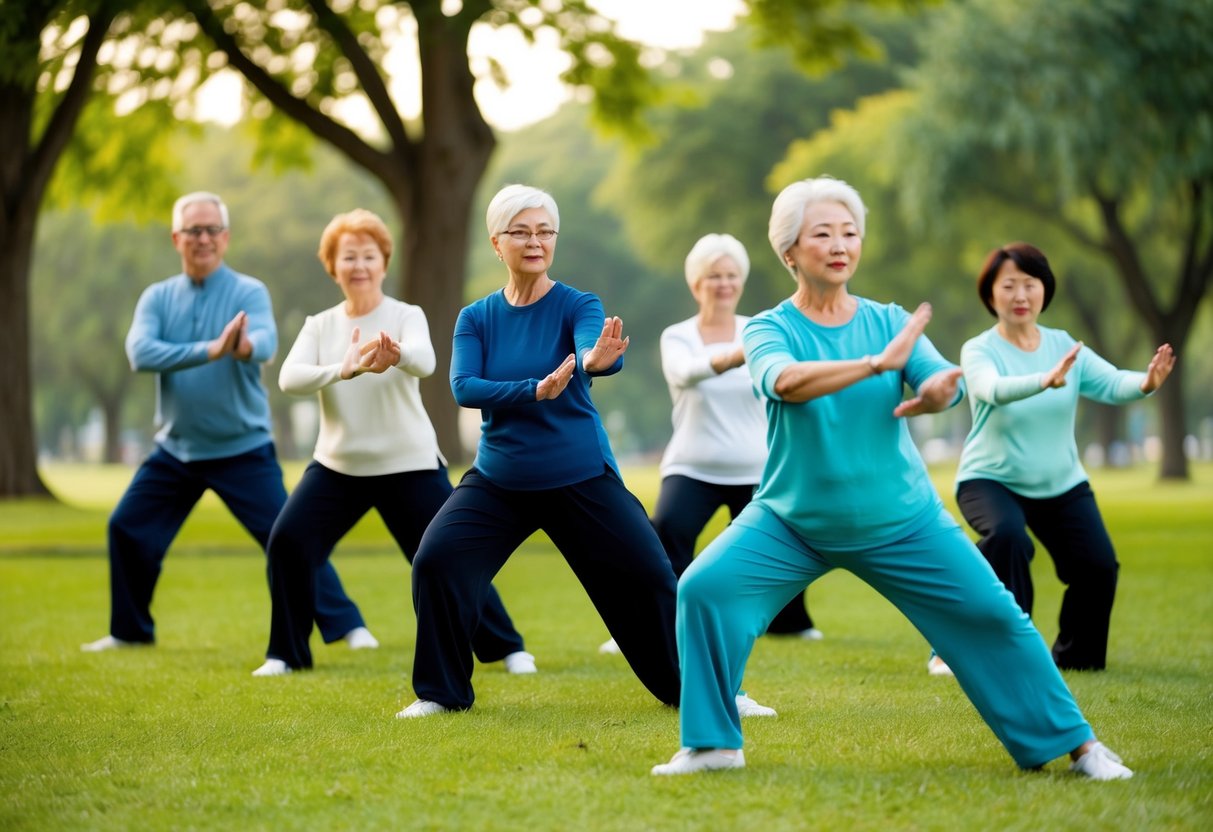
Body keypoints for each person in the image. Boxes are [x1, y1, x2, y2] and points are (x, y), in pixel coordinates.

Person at [651, 176, 1133, 780]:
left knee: (994, 615)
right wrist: (876, 364)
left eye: (850, 233)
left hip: (900, 517)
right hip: (792, 518)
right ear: (790, 251)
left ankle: (1081, 747)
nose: (839, 245)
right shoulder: (767, 327)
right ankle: (713, 744)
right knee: (704, 590)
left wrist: (934, 392)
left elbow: (933, 382)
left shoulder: (891, 320)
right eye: (822, 233)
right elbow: (787, 382)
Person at [398, 184, 694, 719]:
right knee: (437, 561)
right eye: (521, 231)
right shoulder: (477, 317)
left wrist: (596, 361)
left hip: (578, 474)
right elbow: (465, 387)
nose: (535, 241)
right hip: (500, 481)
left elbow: (589, 351)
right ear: (496, 242)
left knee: (651, 576)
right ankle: (441, 694)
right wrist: (534, 390)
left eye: (544, 231)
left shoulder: (578, 304)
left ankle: (706, 690)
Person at [82, 192, 370, 654]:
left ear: (226, 237)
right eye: (193, 230)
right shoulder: (157, 297)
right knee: (126, 526)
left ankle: (347, 625)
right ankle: (129, 631)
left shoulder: (247, 291)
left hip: (242, 449)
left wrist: (238, 347)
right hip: (176, 450)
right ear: (176, 238)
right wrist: (208, 350)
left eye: (212, 229)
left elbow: (264, 343)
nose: (203, 238)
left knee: (287, 536)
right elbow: (140, 352)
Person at [251, 208, 534, 678]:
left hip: (409, 465)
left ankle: (506, 647)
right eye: (348, 257)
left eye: (368, 256)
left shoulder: (405, 315)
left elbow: (425, 362)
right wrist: (340, 370)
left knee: (448, 556)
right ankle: (286, 653)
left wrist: (395, 354)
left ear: (383, 263)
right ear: (333, 266)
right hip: (338, 466)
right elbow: (289, 378)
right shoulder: (320, 325)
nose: (358, 266)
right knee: (288, 542)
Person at [946, 242, 1174, 674]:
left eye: (1029, 285)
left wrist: (1146, 382)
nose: (1019, 296)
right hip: (990, 479)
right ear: (990, 295)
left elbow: (1111, 383)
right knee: (1009, 538)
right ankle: (1003, 649)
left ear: (1043, 291)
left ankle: (1075, 661)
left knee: (1098, 567)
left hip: (1060, 481)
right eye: (1008, 285)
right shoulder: (979, 349)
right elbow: (990, 388)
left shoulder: (1064, 345)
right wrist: (1042, 380)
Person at [601, 233, 819, 659]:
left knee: (779, 543)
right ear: (696, 283)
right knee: (663, 541)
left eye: (731, 275)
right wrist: (738, 355)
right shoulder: (677, 336)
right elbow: (685, 373)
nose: (724, 284)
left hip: (757, 467)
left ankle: (791, 624)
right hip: (692, 466)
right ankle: (644, 624)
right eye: (714, 276)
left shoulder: (760, 329)